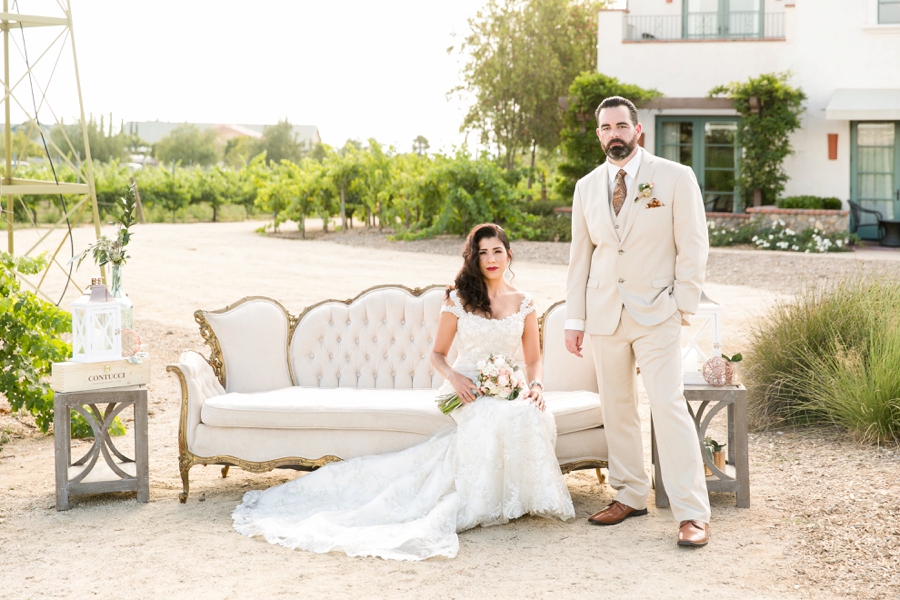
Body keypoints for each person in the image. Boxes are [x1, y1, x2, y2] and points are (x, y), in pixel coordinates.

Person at [233, 223, 574, 560]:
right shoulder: (458, 299)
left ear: (509, 254)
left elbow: (533, 359)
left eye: (497, 251)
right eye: (482, 252)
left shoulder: (524, 302)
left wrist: (535, 386)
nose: (491, 259)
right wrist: (455, 378)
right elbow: (437, 356)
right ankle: (485, 502)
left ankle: (521, 500)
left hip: (508, 384)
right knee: (489, 414)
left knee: (530, 411)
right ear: (474, 259)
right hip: (464, 385)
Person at [564, 96, 711, 547]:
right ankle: (629, 495)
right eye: (606, 128)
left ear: (638, 129)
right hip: (604, 314)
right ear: (599, 135)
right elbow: (579, 258)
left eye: (621, 126)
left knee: (667, 407)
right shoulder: (587, 187)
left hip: (657, 313)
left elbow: (693, 244)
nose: (615, 134)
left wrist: (680, 305)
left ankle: (691, 513)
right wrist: (575, 319)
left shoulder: (674, 177)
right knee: (617, 408)